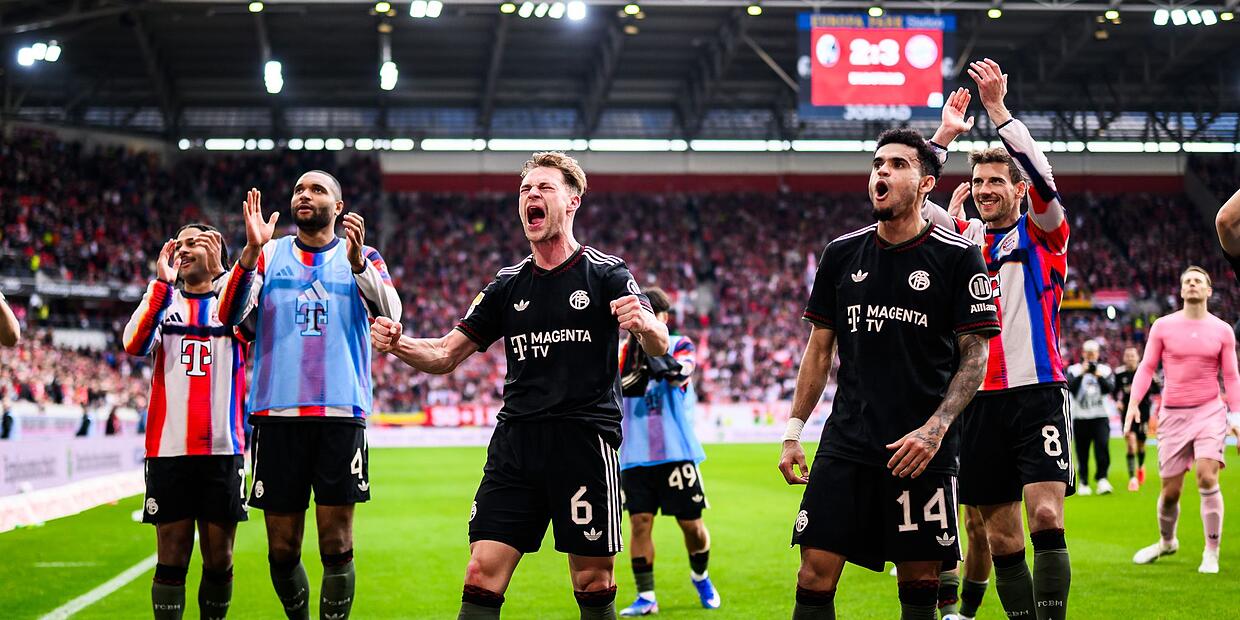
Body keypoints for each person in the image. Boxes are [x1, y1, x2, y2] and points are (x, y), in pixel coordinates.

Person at [368, 151, 668, 620]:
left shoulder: (607, 272)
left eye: (544, 187)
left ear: (572, 200)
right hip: (516, 445)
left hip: (584, 443)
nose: (532, 195)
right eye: (526, 189)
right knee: (480, 572)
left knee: (593, 580)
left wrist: (646, 325)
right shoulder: (507, 285)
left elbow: (660, 343)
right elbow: (446, 353)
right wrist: (398, 344)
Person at [776, 125, 999, 620]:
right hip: (847, 442)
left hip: (919, 449)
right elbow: (818, 351)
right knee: (812, 574)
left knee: (919, 583)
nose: (882, 173)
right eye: (878, 164)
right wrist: (793, 433)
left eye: (898, 165)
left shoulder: (958, 256)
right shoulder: (841, 254)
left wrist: (936, 429)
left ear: (925, 184)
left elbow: (975, 356)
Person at [216, 172, 402, 619]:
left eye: (317, 190)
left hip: (340, 411)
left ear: (338, 208)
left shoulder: (364, 255)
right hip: (276, 414)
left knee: (336, 542)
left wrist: (358, 266)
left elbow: (392, 314)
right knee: (281, 548)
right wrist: (250, 252)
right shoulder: (269, 254)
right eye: (299, 189)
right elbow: (230, 314)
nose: (304, 194)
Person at [942, 59, 1074, 620]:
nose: (985, 190)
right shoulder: (961, 244)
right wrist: (944, 136)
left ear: (1017, 189)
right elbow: (904, 203)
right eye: (978, 182)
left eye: (997, 181)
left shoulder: (1044, 232)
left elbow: (1043, 176)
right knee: (999, 535)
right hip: (977, 401)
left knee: (1045, 517)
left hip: (1037, 391)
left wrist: (997, 111)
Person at [123, 223, 248, 619]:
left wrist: (225, 274)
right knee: (172, 556)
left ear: (217, 253)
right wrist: (161, 285)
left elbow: (251, 326)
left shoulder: (236, 306)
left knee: (219, 558)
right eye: (180, 244)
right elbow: (134, 344)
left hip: (222, 450)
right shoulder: (163, 300)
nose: (185, 250)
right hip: (169, 450)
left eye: (196, 243)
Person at [1126, 266, 1240, 574]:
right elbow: (1146, 367)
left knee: (1207, 477)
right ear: (1180, 290)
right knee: (1170, 493)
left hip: (1209, 411)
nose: (1192, 284)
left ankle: (1211, 552)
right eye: (1187, 280)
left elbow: (1231, 375)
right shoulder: (1163, 326)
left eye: (1198, 280)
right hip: (1172, 415)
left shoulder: (1222, 330)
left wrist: (1236, 416)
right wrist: (1133, 404)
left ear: (1208, 290)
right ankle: (1167, 542)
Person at [615, 287, 719, 616]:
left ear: (663, 318)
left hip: (676, 452)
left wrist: (653, 354)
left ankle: (700, 576)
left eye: (650, 316)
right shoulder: (620, 352)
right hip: (634, 455)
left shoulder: (679, 344)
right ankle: (646, 596)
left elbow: (680, 374)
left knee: (692, 526)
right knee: (640, 524)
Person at [1065, 341, 1116, 496]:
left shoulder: (1105, 370)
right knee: (1082, 451)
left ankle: (1102, 479)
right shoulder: (1074, 370)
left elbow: (1109, 389)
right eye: (1088, 352)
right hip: (1081, 417)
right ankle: (1084, 481)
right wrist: (1082, 373)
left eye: (1093, 352)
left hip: (1100, 416)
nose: (1091, 355)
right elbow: (1070, 387)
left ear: (1098, 354)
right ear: (1083, 353)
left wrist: (1097, 375)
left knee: (1102, 447)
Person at [1114, 346, 1161, 491]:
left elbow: (1157, 389)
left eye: (1132, 356)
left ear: (1137, 357)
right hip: (1127, 413)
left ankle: (1140, 466)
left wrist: (1153, 379)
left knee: (1141, 445)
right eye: (1127, 356)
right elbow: (1114, 391)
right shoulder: (1120, 374)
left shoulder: (1145, 372)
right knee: (1131, 444)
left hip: (1143, 413)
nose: (1130, 358)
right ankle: (1132, 479)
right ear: (1124, 358)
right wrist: (1118, 401)